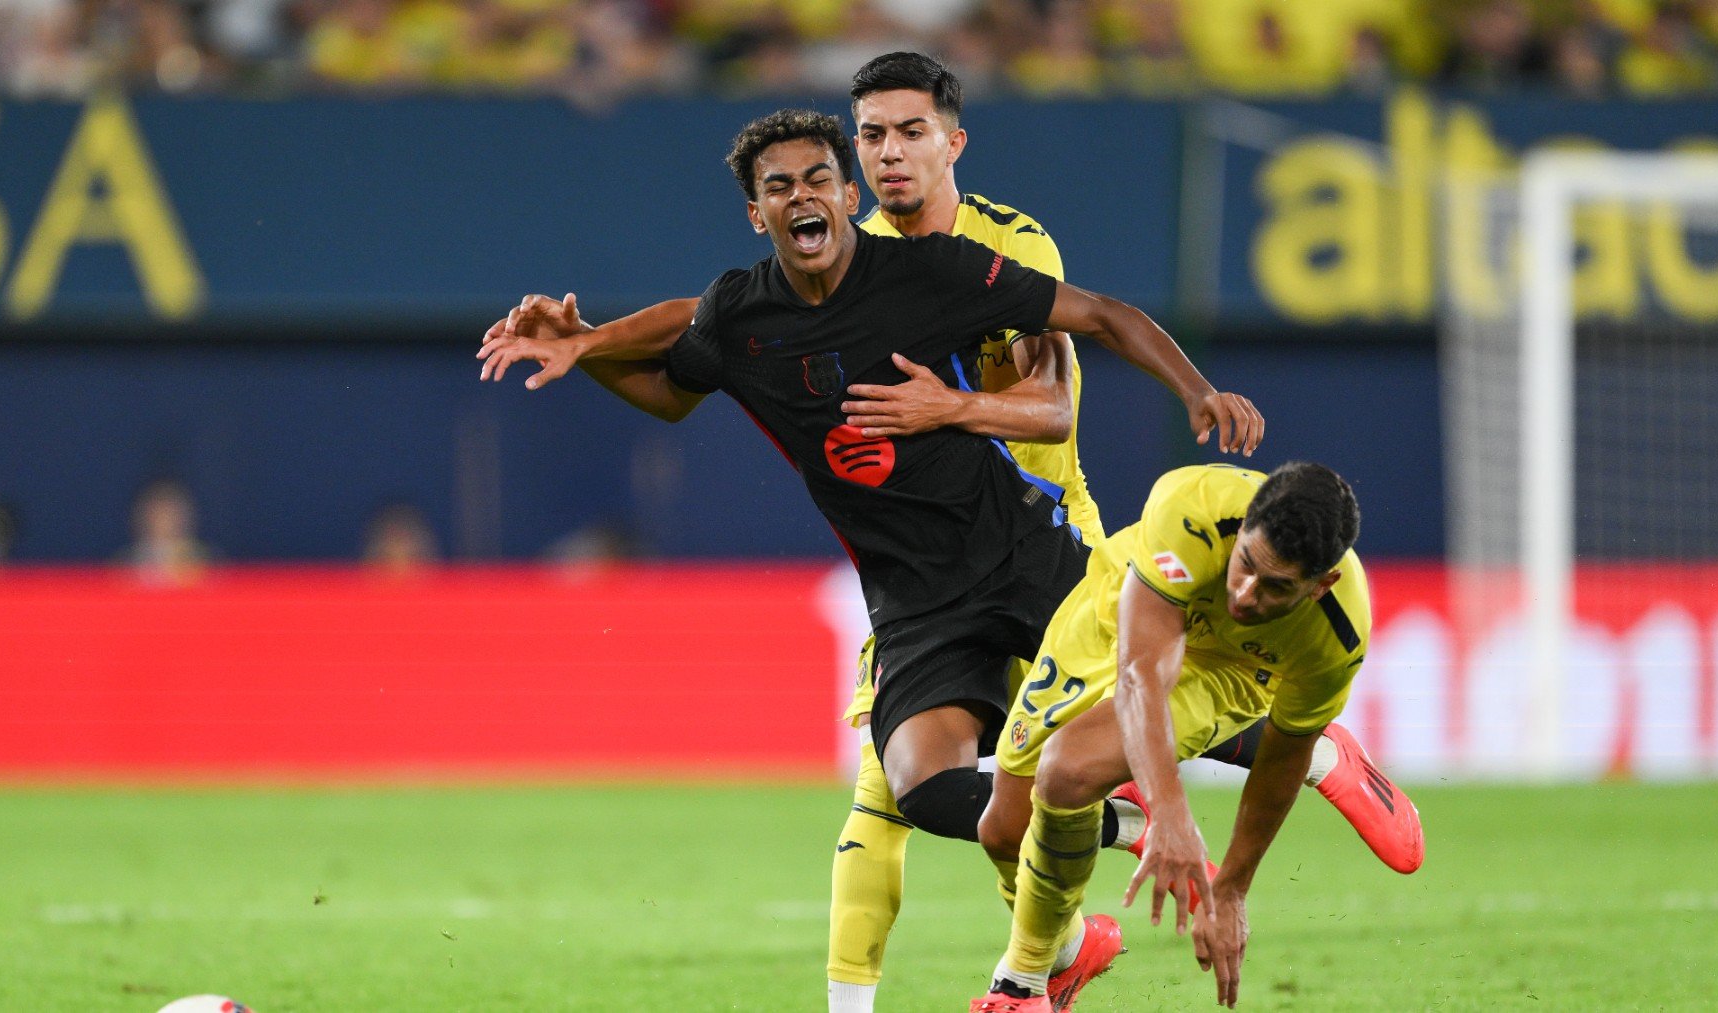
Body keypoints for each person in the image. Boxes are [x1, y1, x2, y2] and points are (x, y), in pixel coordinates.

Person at [478, 104, 1265, 984]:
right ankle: (1108, 851)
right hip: (915, 600)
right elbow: (671, 386)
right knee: (924, 785)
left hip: (1017, 550)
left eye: (818, 179)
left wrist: (1196, 390)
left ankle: (1316, 748)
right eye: (779, 187)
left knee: (1164, 697)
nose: (801, 196)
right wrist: (582, 348)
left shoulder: (935, 271)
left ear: (849, 194)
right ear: (757, 213)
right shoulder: (741, 314)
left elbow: (1103, 316)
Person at [970, 462, 1379, 1011]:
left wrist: (1232, 886)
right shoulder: (1193, 504)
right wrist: (1169, 813)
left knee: (1068, 773)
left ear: (1321, 583)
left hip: (1231, 669)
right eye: (1246, 565)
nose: (1245, 594)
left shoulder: (1338, 636)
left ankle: (1022, 985)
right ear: (1244, 528)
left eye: (1276, 587)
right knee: (1004, 829)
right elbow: (1142, 675)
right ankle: (1074, 948)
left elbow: (1280, 762)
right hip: (1125, 610)